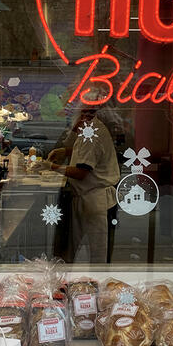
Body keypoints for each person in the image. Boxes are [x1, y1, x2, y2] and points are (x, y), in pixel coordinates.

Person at [47, 105, 120, 263]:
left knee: (97, 255)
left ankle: (96, 284)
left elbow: (82, 172)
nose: (84, 117)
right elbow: (83, 151)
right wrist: (66, 151)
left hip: (95, 199)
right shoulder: (89, 129)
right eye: (82, 112)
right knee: (83, 252)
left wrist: (52, 167)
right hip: (88, 198)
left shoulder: (92, 133)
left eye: (89, 112)